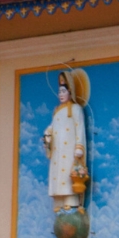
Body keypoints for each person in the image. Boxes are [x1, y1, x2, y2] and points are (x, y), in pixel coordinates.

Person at [43, 69, 91, 214]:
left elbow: (80, 127)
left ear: (70, 92)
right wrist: (47, 136)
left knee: (68, 176)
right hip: (58, 152)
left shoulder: (75, 109)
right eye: (59, 92)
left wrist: (79, 146)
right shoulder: (57, 111)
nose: (61, 95)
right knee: (58, 175)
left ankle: (71, 202)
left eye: (64, 91)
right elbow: (52, 128)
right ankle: (59, 202)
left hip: (70, 151)